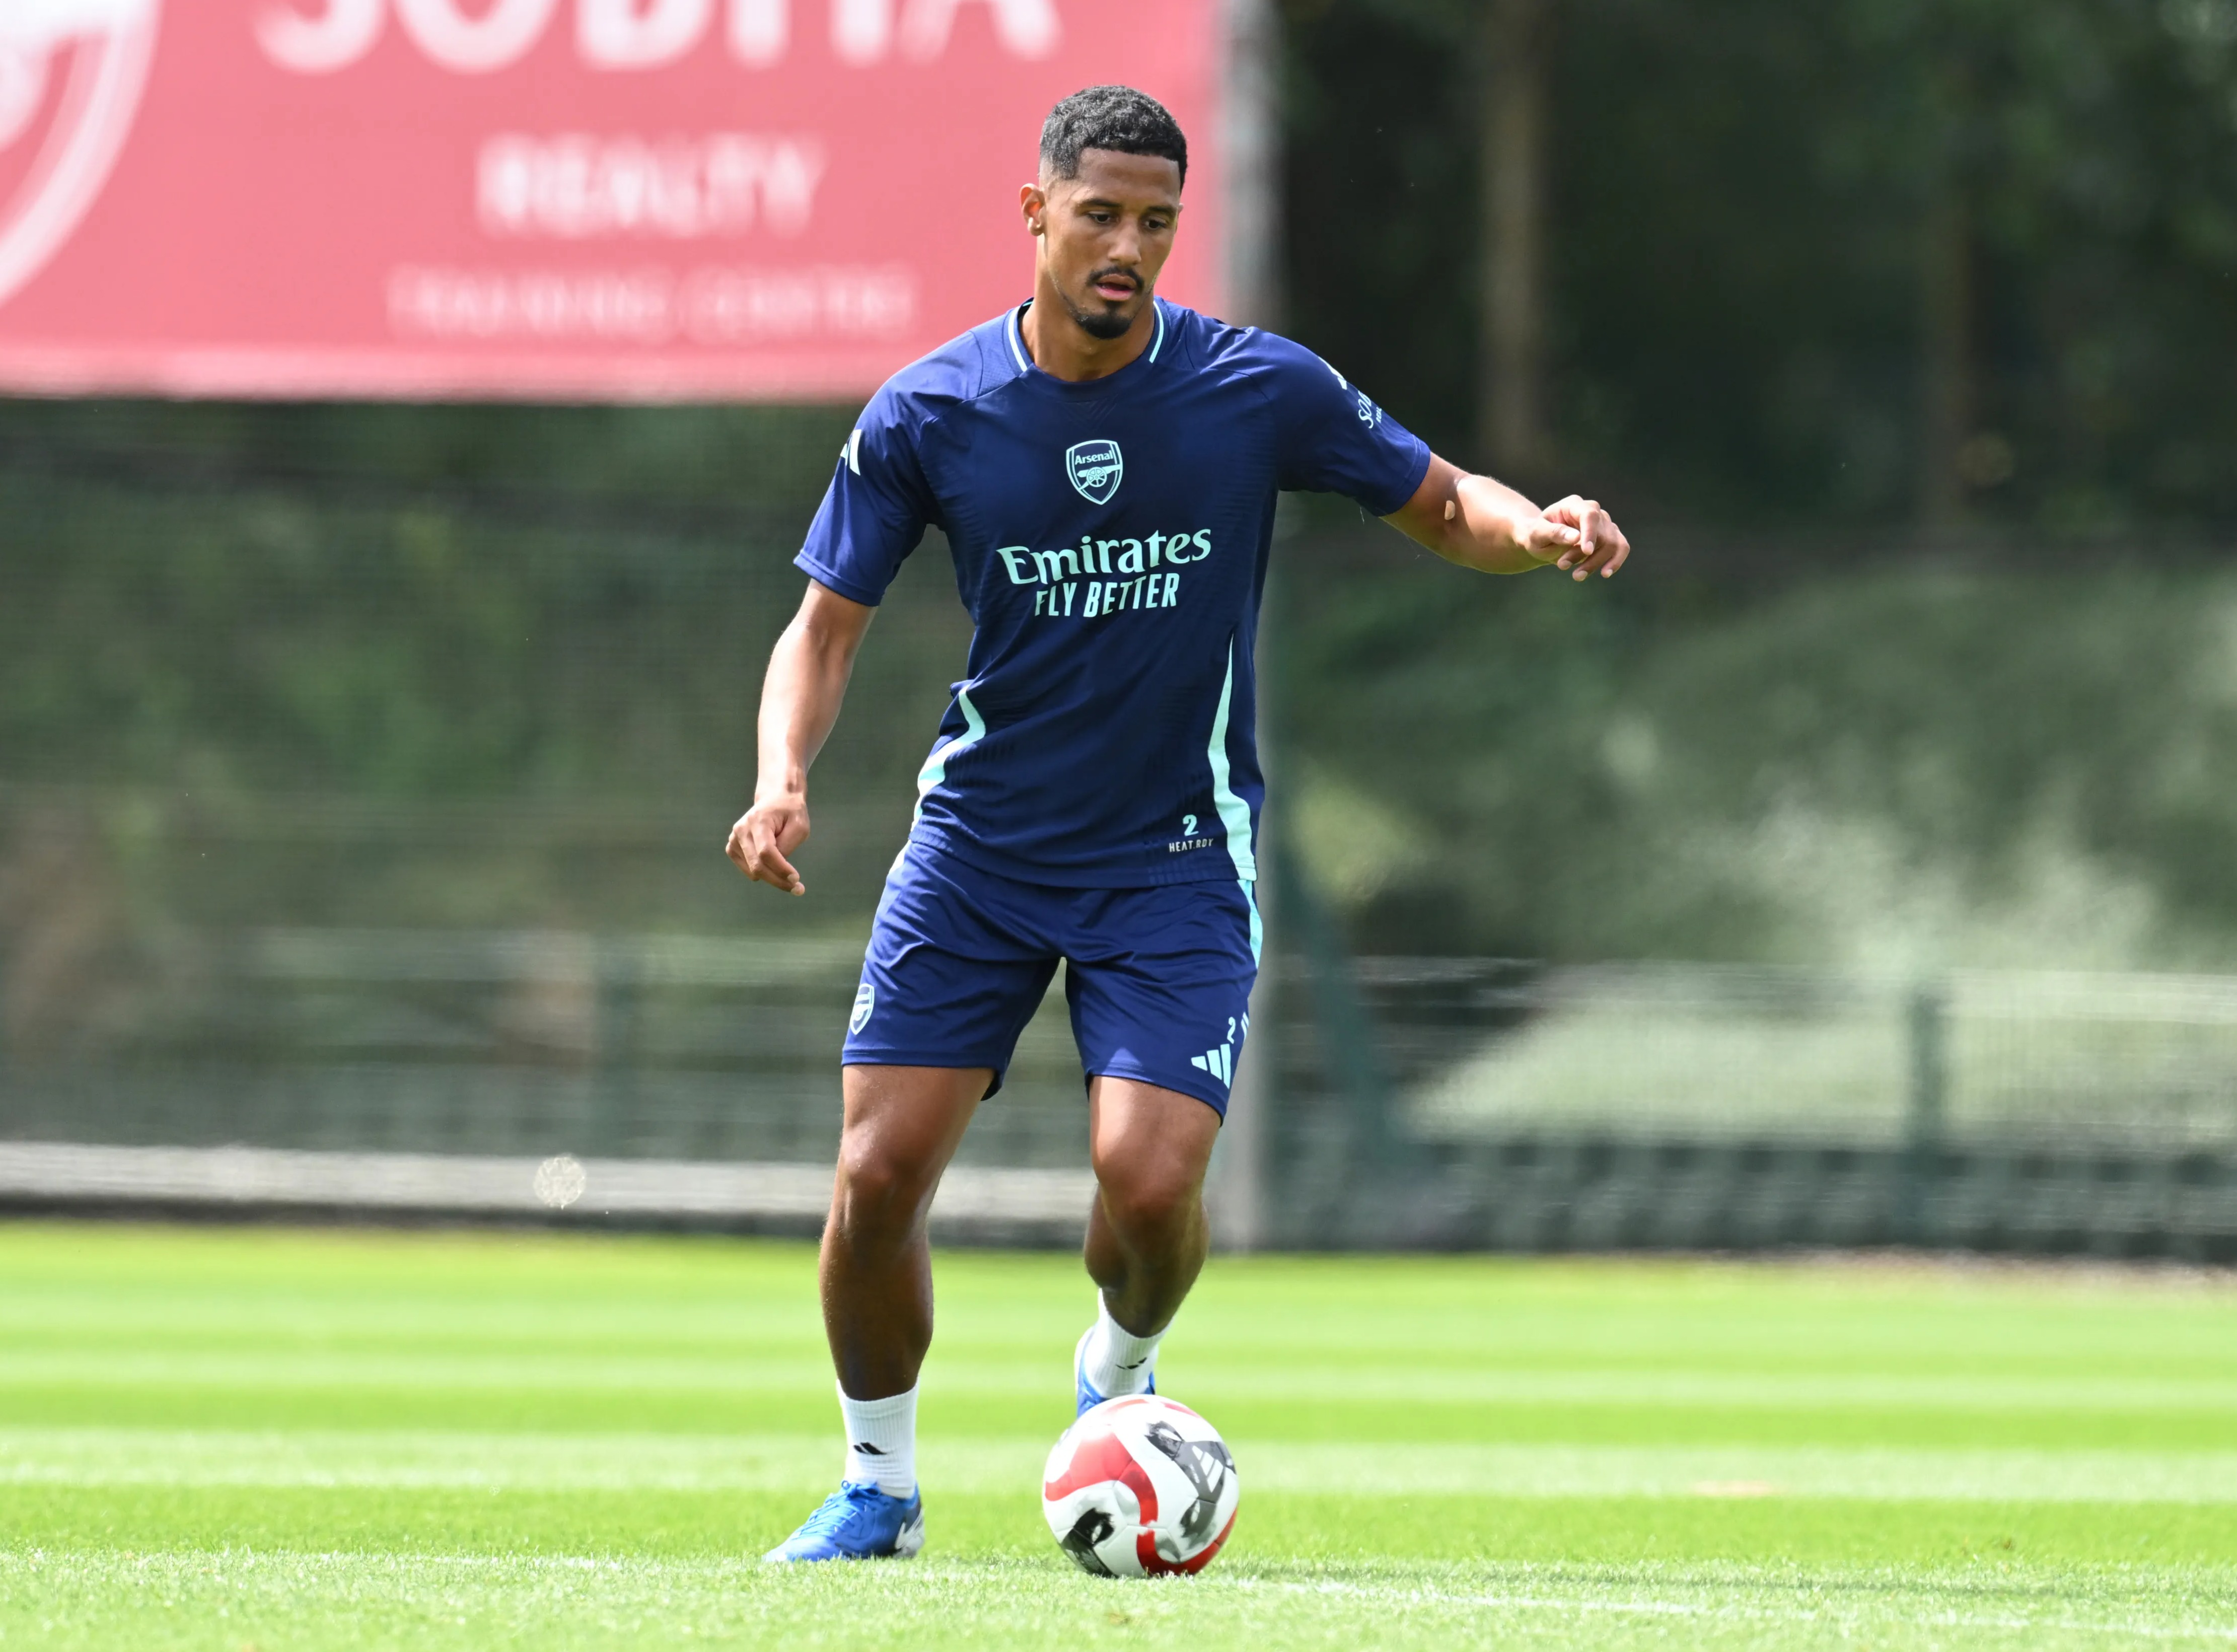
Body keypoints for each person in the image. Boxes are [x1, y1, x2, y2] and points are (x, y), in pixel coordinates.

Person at [730, 84, 1631, 1563]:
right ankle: (877, 1485)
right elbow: (823, 628)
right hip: (978, 855)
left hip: (1171, 859)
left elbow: (1439, 498)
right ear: (1034, 212)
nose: (1127, 250)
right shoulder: (931, 410)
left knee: (1148, 1187)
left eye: (1156, 222)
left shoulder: (1251, 389)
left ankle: (1118, 1376)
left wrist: (1528, 529)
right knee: (876, 1175)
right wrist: (781, 776)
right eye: (1099, 216)